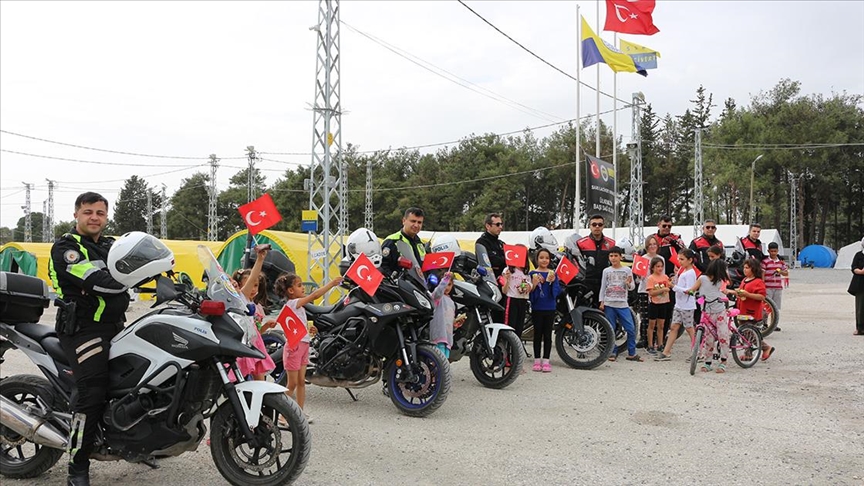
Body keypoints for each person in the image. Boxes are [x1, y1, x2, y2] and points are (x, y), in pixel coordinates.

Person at [48, 192, 131, 486]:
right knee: (93, 392)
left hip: (115, 325)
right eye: (88, 212)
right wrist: (128, 281)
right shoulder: (66, 247)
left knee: (138, 379)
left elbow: (135, 264)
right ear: (76, 215)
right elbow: (96, 282)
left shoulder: (111, 246)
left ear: (107, 217)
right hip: (81, 329)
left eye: (100, 212)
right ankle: (77, 467)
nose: (94, 217)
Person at [275, 273, 343, 423]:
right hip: (294, 348)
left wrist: (310, 331)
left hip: (303, 345)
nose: (302, 288)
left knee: (301, 381)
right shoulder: (293, 303)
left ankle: (298, 412)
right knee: (292, 383)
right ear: (290, 291)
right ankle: (282, 413)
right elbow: (315, 295)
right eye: (299, 286)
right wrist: (331, 284)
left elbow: (297, 327)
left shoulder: (298, 307)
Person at [232, 244, 277, 381]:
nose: (253, 289)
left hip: (255, 345)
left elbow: (257, 331)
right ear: (239, 286)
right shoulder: (241, 299)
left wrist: (266, 327)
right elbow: (252, 278)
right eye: (250, 285)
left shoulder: (257, 307)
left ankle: (263, 402)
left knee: (260, 381)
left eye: (256, 285)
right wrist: (260, 259)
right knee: (240, 381)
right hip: (243, 346)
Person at [687, 259, 731, 373]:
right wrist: (689, 292)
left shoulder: (720, 281)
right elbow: (693, 289)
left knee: (723, 336)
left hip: (720, 311)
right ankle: (708, 362)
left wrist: (727, 293)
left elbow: (724, 291)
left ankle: (723, 361)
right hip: (706, 312)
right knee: (708, 338)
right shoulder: (702, 279)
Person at [726, 258, 774, 361]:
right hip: (742, 310)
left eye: (747, 268)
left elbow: (761, 297)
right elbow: (741, 293)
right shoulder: (744, 280)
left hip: (752, 311)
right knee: (744, 333)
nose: (744, 270)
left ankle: (765, 348)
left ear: (754, 269)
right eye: (744, 267)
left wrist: (748, 294)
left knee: (749, 333)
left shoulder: (758, 282)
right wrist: (729, 291)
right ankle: (748, 353)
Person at [599, 246, 641, 362]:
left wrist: (628, 284)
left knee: (630, 328)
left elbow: (632, 287)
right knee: (611, 329)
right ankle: (612, 351)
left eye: (616, 256)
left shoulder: (627, 270)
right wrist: (602, 301)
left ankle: (632, 353)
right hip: (609, 303)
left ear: (620, 257)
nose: (613, 258)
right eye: (611, 256)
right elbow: (603, 287)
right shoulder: (606, 271)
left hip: (622, 304)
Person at [655, 249, 698, 361]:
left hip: (687, 305)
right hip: (679, 304)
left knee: (689, 328)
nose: (679, 261)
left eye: (682, 259)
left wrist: (673, 287)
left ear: (690, 260)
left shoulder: (690, 273)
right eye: (679, 258)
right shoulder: (682, 270)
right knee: (674, 327)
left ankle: (697, 352)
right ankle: (666, 352)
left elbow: (689, 290)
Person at [528, 248, 561, 372]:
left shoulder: (553, 273)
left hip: (550, 308)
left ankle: (546, 360)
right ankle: (537, 360)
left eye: (547, 258)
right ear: (537, 259)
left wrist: (552, 283)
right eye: (541, 257)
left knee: (548, 335)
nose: (544, 260)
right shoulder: (532, 274)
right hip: (537, 308)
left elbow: (556, 292)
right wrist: (535, 284)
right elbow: (530, 293)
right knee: (537, 334)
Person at [575, 214, 617, 306]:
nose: (597, 227)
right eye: (594, 224)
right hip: (587, 282)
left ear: (603, 226)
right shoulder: (581, 243)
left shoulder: (611, 243)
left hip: (605, 282)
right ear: (589, 226)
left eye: (600, 224)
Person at [501, 246, 532, 357]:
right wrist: (508, 279)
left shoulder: (526, 272)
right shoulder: (508, 270)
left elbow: (530, 287)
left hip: (522, 301)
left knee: (519, 330)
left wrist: (528, 287)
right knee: (509, 329)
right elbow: (504, 291)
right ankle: (506, 358)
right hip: (511, 300)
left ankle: (515, 358)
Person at [476, 213, 508, 323]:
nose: (501, 227)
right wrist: (503, 259)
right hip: (490, 282)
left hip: (503, 283)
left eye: (501, 224)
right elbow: (490, 261)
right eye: (497, 224)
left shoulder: (501, 243)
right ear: (488, 226)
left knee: (502, 314)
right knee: (492, 314)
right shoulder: (482, 242)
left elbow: (509, 260)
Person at [636, 235, 664, 348]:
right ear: (647, 246)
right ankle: (643, 338)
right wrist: (639, 276)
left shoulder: (661, 258)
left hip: (657, 290)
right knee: (644, 316)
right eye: (650, 244)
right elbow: (639, 279)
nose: (652, 246)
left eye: (654, 244)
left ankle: (656, 340)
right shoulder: (642, 258)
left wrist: (660, 291)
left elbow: (663, 276)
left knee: (656, 317)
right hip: (644, 290)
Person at [429, 272, 465, 359]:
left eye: (449, 284)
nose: (446, 287)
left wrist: (455, 325)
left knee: (445, 364)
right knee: (438, 363)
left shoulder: (452, 303)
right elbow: (438, 292)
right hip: (438, 336)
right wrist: (445, 280)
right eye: (445, 284)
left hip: (448, 339)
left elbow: (449, 321)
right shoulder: (437, 298)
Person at [381, 207, 426, 275]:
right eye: (413, 221)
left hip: (418, 284)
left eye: (419, 222)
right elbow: (383, 266)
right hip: (400, 284)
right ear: (404, 221)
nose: (416, 225)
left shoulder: (421, 243)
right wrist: (393, 281)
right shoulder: (392, 241)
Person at [645, 257, 671, 355]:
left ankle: (660, 344)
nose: (660, 268)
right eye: (657, 266)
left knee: (661, 325)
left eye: (661, 266)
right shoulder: (651, 278)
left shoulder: (665, 277)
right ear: (653, 268)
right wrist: (663, 290)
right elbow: (651, 292)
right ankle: (650, 345)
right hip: (654, 304)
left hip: (663, 303)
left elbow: (669, 286)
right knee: (652, 325)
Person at [761, 242, 789, 332]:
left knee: (775, 307)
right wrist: (762, 285)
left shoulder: (781, 262)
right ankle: (764, 323)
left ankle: (773, 324)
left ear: (777, 251)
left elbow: (786, 273)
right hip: (768, 287)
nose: (773, 253)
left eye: (775, 251)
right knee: (766, 307)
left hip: (777, 287)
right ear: (768, 251)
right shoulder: (765, 262)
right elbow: (763, 274)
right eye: (771, 251)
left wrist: (780, 271)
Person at [849, 237, 864, 336]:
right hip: (860, 284)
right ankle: (860, 328)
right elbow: (853, 267)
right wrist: (861, 271)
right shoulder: (858, 255)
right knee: (860, 307)